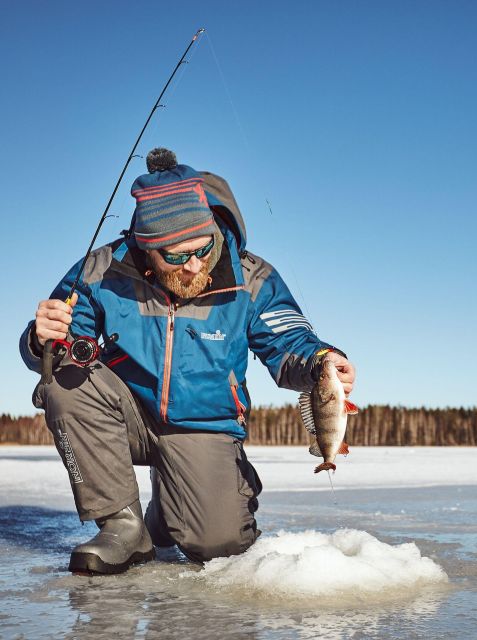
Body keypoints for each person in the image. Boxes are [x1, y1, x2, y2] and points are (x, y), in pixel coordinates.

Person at [19, 148, 356, 575]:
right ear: (145, 247)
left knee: (220, 544)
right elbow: (60, 346)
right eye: (175, 257)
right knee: (66, 380)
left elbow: (288, 339)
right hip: (127, 419)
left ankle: (171, 505)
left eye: (203, 248)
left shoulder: (252, 278)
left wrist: (323, 360)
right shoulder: (101, 270)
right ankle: (123, 526)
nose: (194, 264)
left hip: (203, 426)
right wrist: (41, 338)